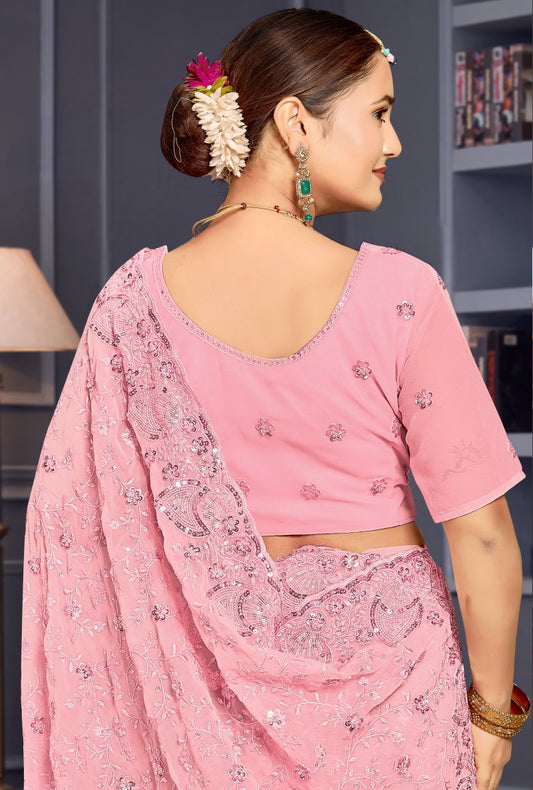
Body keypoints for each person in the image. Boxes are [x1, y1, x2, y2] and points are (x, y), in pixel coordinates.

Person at [21, 8, 530, 790]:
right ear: (296, 122)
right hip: (394, 699)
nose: (394, 143)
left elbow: (78, 533)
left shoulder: (131, 304)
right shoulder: (399, 292)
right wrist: (493, 718)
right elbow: (483, 535)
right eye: (379, 113)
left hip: (203, 709)